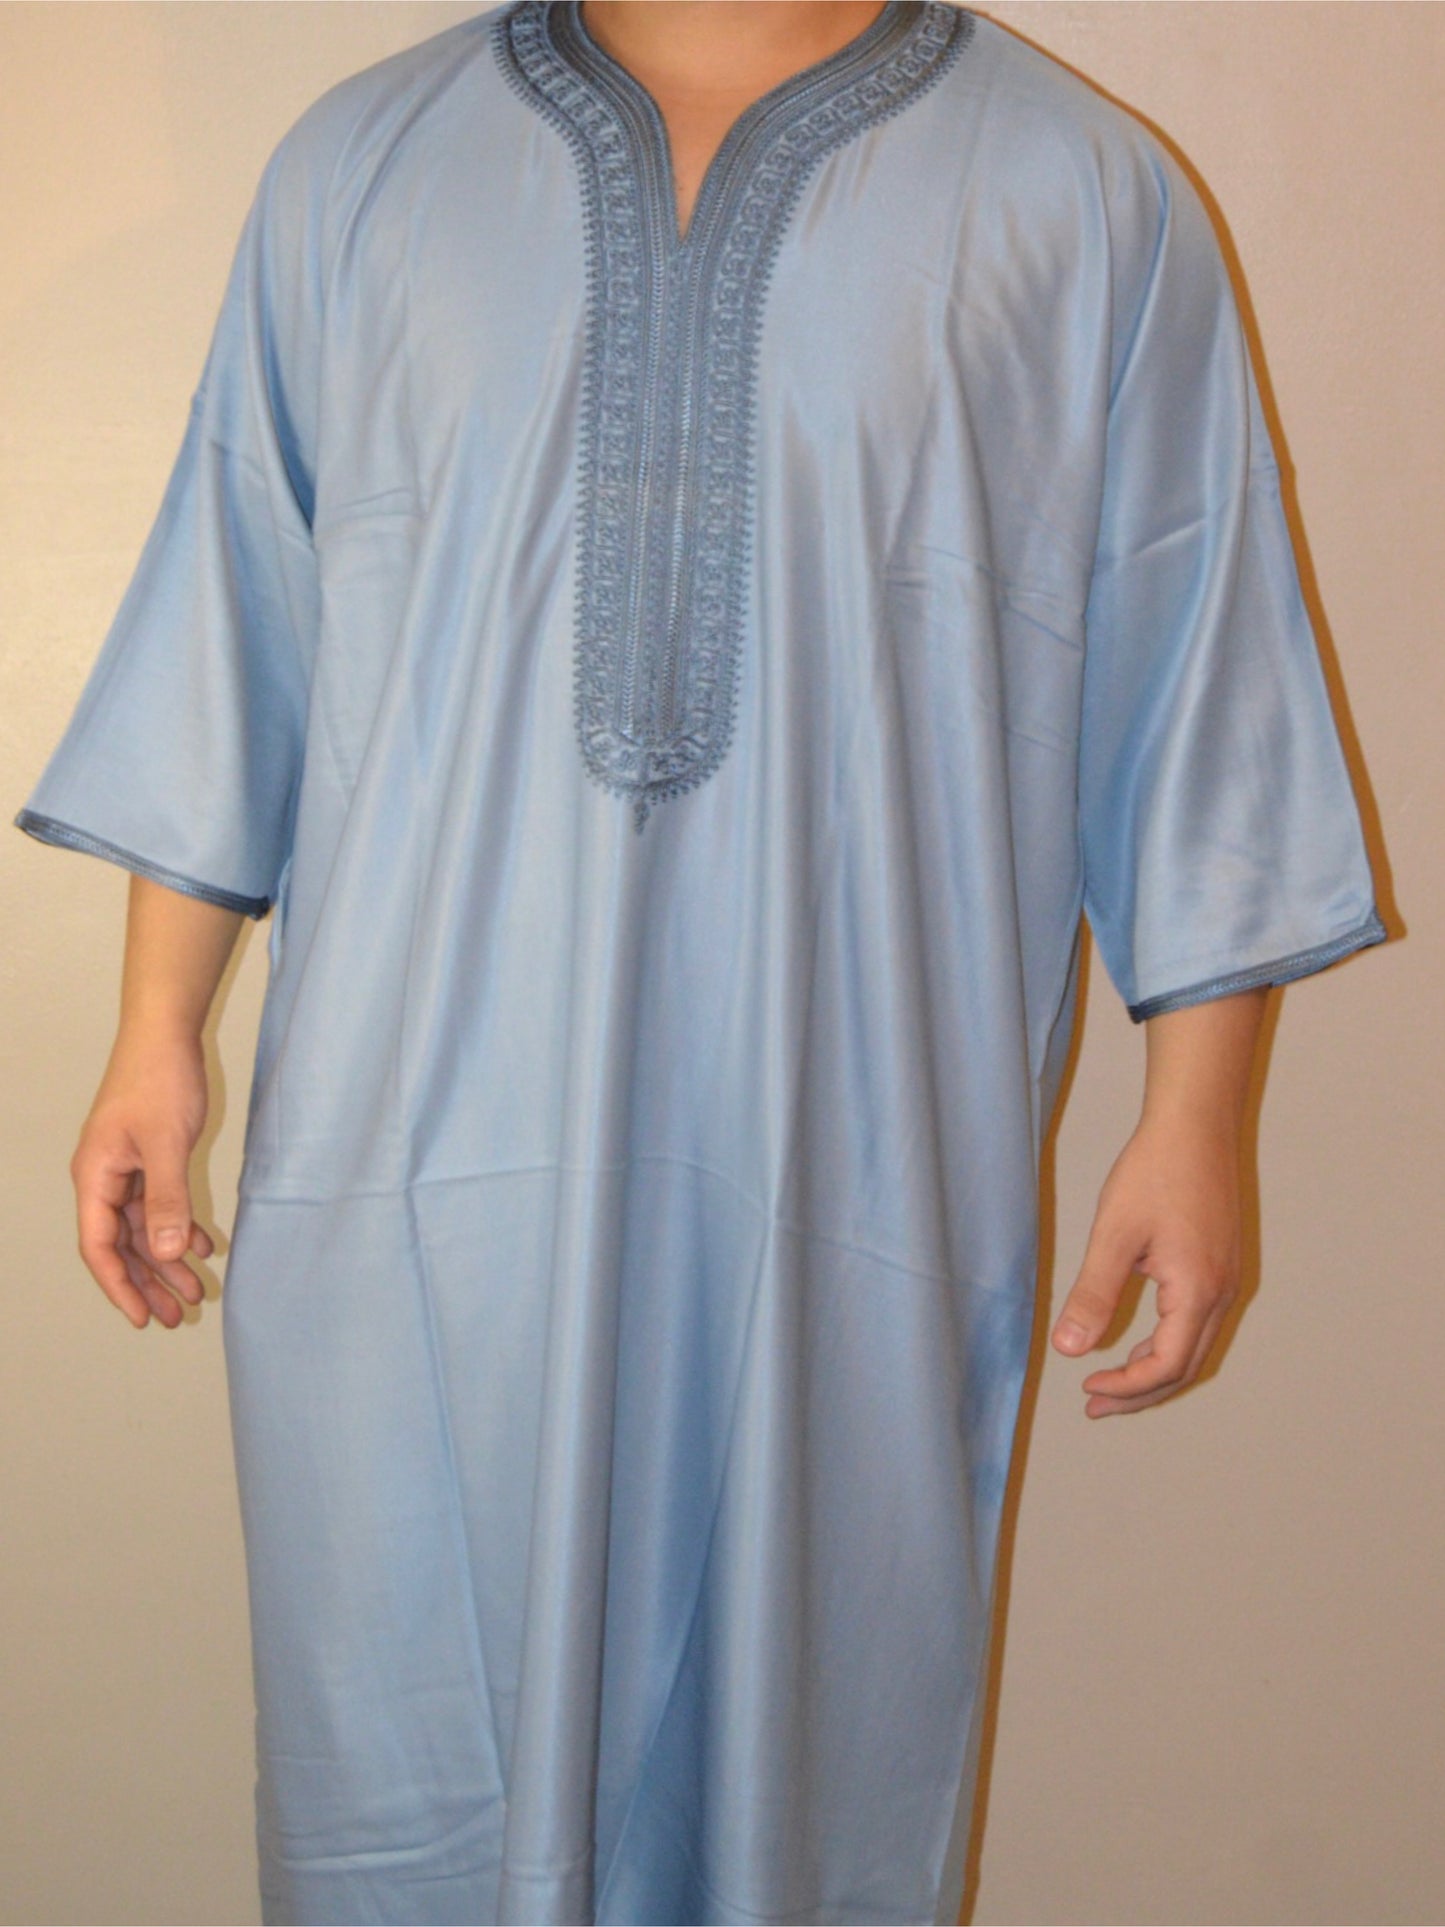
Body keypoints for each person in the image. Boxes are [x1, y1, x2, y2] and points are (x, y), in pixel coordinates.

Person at [13, 2, 1386, 1922]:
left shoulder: (1080, 192)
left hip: (846, 1164)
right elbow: (248, 598)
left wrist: (1198, 1118)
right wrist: (156, 1032)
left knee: (794, 1759)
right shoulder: (360, 168)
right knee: (406, 1736)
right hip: (410, 1161)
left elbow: (1192, 658)